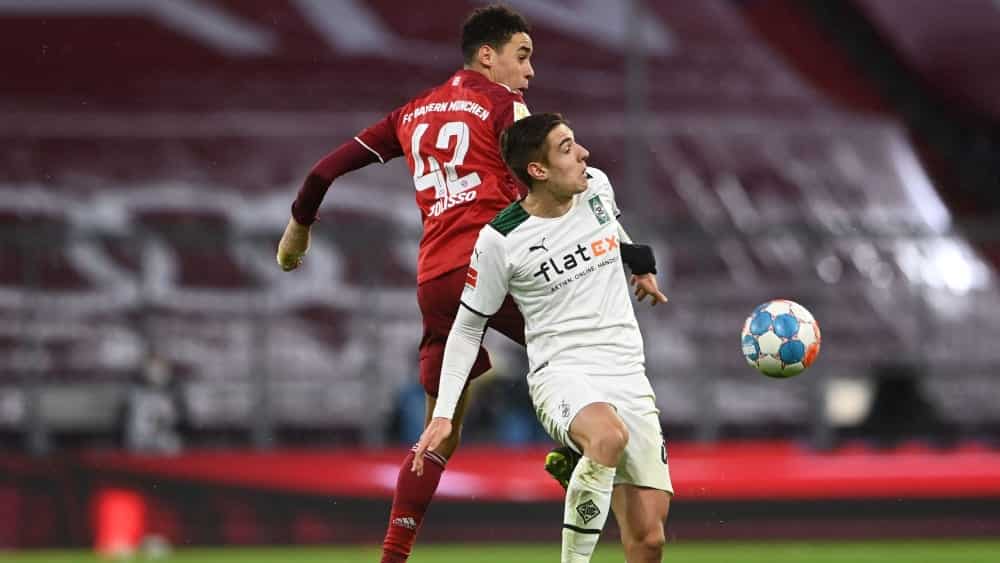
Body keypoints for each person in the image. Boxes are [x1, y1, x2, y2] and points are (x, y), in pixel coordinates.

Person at [275, 6, 536, 563]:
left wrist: (298, 228)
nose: (529, 71)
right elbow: (541, 182)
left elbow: (323, 171)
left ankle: (393, 554)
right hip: (494, 263)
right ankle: (578, 456)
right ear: (487, 56)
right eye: (522, 56)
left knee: (439, 431)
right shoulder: (504, 104)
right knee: (580, 352)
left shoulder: (411, 112)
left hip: (437, 279)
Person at [413, 113, 673, 563]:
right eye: (567, 148)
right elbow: (468, 326)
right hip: (562, 372)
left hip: (627, 371)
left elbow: (610, 228)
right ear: (538, 170)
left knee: (648, 541)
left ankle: (584, 464)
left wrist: (640, 265)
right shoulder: (500, 240)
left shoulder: (596, 187)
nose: (584, 154)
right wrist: (443, 413)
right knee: (608, 436)